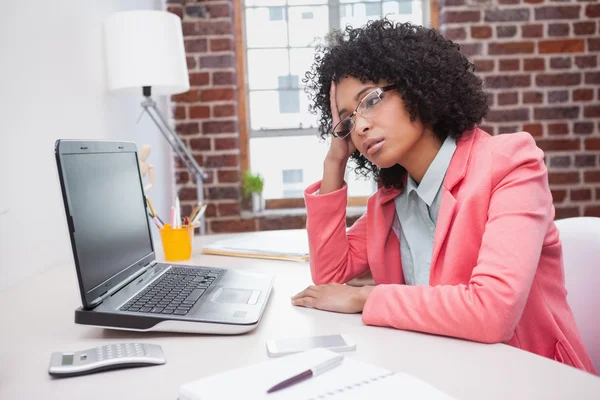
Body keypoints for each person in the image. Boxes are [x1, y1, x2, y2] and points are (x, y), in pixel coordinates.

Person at [291, 19, 596, 374]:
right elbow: (330, 275)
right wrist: (334, 160)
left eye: (371, 100)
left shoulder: (511, 164)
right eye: (347, 121)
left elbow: (491, 312)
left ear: (414, 85)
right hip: (439, 371)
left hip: (531, 377)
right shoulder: (392, 198)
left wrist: (365, 297)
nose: (359, 127)